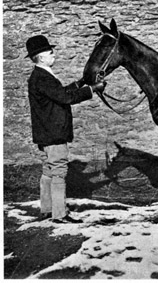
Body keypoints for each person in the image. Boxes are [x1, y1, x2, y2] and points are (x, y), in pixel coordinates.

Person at [26, 35, 105, 224]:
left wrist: (80, 83)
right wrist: (92, 90)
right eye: (50, 52)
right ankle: (60, 214)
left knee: (48, 171)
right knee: (59, 172)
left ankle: (47, 209)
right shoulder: (43, 77)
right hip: (54, 134)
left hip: (46, 134)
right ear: (42, 57)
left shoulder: (40, 76)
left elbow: (58, 93)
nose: (54, 55)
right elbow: (65, 98)